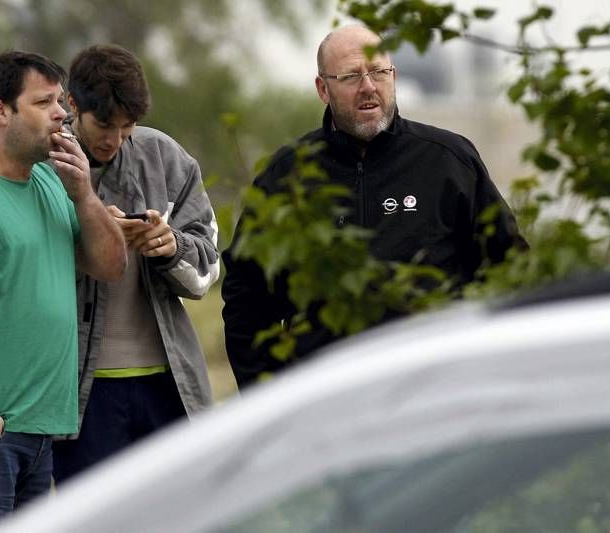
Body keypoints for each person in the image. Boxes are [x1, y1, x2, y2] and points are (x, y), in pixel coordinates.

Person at [222, 25, 526, 389]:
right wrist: (271, 396)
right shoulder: (287, 177)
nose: (368, 87)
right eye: (351, 76)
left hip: (440, 392)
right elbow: (246, 300)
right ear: (323, 89)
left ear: (393, 76)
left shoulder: (448, 161)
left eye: (378, 72)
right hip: (327, 401)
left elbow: (511, 270)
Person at [0, 50, 126, 532]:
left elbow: (110, 266)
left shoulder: (51, 182)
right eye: (45, 102)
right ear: (0, 110)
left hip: (40, 431)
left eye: (61, 101)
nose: (63, 113)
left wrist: (84, 194)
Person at [50, 44, 220, 483]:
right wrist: (89, 225)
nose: (115, 139)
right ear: (72, 104)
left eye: (128, 127)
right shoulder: (39, 160)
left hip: (168, 383)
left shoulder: (166, 157)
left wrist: (169, 246)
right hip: (79, 392)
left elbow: (206, 272)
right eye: (104, 125)